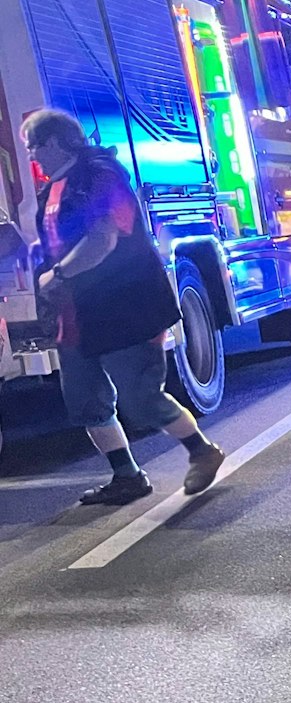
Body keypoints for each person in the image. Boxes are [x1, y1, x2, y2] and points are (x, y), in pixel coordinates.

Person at [24, 109, 226, 504]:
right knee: (86, 401)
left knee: (141, 399)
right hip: (77, 315)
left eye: (35, 146)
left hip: (125, 308)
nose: (32, 155)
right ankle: (127, 476)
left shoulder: (100, 175)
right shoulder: (53, 190)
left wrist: (58, 275)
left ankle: (202, 452)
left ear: (56, 142)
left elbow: (103, 238)